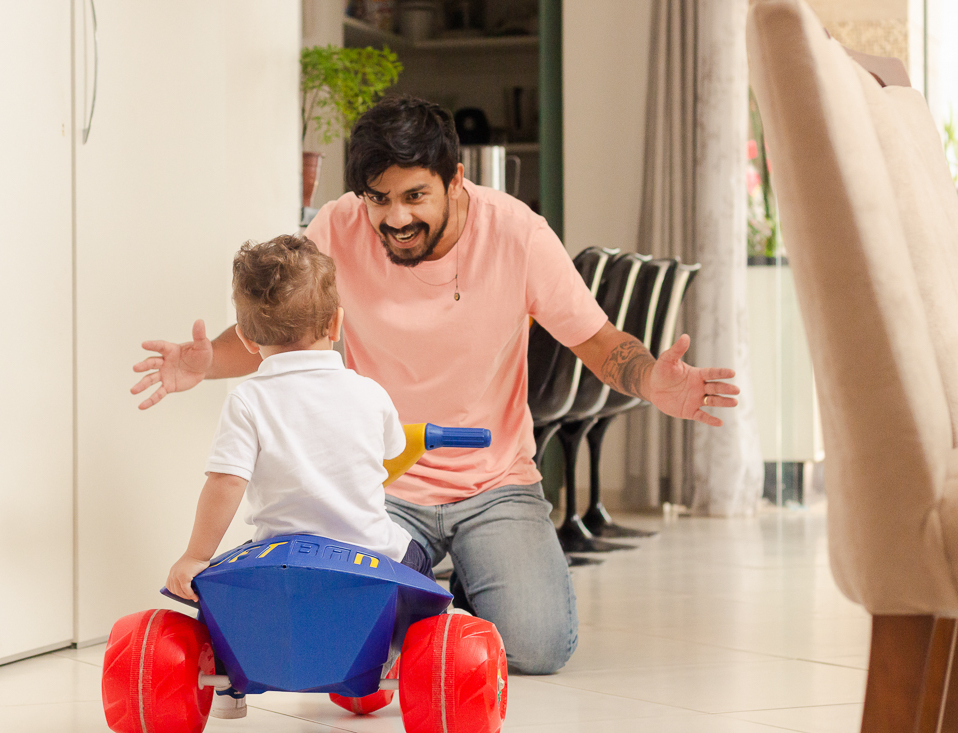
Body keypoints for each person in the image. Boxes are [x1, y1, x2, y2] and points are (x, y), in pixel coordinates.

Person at [136, 95, 740, 675]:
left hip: (495, 481)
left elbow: (599, 343)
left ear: (455, 180)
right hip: (384, 487)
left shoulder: (517, 233)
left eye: (414, 196)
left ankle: (471, 586)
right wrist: (202, 364)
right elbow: (282, 328)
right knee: (352, 637)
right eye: (378, 200)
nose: (395, 219)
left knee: (539, 648)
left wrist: (652, 382)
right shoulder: (338, 227)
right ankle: (434, 598)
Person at [164, 235, 433, 718]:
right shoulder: (370, 394)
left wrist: (196, 555)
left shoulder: (248, 399)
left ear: (247, 340)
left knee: (217, 585)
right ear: (335, 323)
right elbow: (391, 455)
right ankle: (417, 653)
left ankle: (230, 683)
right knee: (421, 565)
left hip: (279, 559)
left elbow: (226, 482)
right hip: (370, 557)